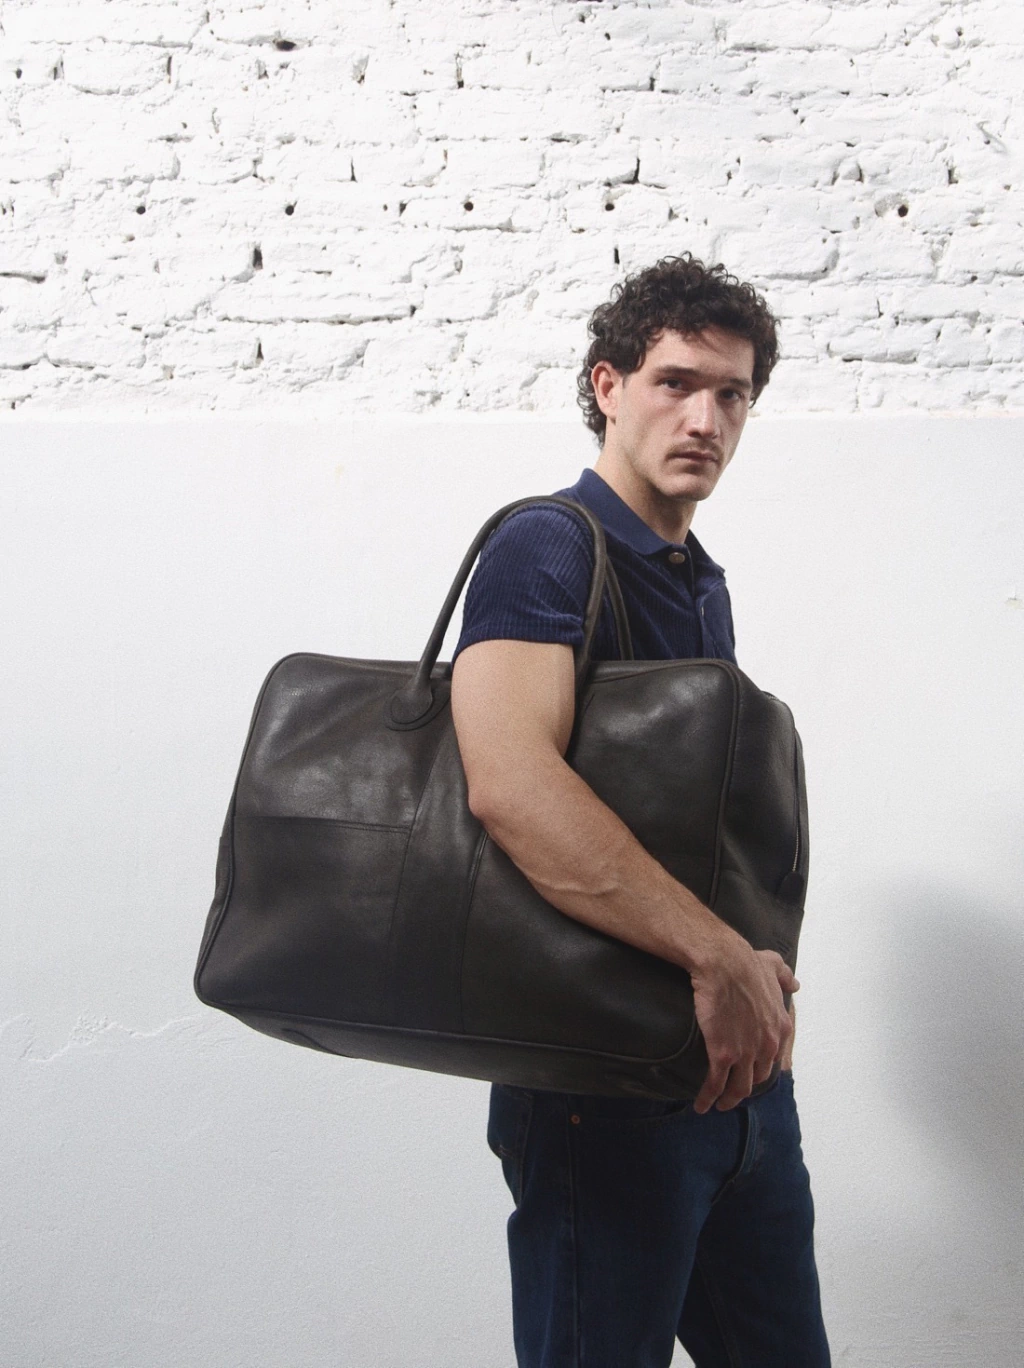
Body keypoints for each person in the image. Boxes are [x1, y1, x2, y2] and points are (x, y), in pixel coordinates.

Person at [449, 255, 830, 1368]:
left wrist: (749, 966)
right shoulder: (549, 542)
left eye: (732, 393)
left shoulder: (693, 573)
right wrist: (716, 955)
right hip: (598, 1092)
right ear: (608, 386)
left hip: (730, 1080)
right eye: (675, 383)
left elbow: (687, 822)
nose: (705, 419)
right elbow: (509, 781)